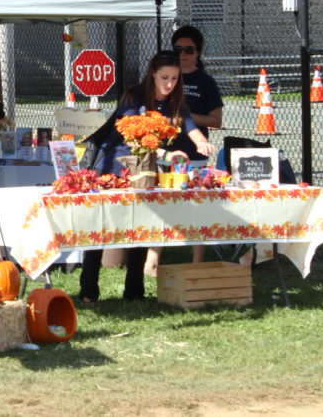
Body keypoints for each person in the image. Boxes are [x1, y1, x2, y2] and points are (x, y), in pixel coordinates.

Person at [77, 51, 215, 304]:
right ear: (152, 74)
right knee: (100, 228)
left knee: (140, 228)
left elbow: (192, 129)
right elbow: (131, 136)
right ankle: (88, 291)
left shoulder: (176, 103)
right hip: (115, 167)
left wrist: (203, 143)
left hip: (144, 172)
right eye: (164, 77)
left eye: (174, 78)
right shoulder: (134, 96)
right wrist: (165, 153)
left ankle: (134, 291)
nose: (169, 83)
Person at [143, 25, 225, 272]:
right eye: (178, 49)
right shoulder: (151, 91)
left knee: (195, 208)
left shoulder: (205, 82)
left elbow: (208, 121)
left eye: (189, 49)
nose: (183, 54)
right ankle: (152, 261)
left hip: (192, 159)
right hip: (162, 156)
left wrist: (193, 133)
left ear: (198, 52)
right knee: (159, 207)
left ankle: (197, 263)